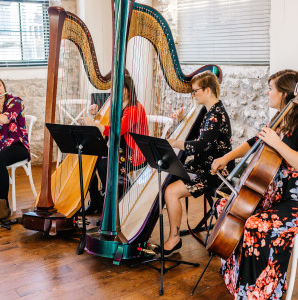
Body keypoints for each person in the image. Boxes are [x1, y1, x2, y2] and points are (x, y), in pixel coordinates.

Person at [211, 69, 298, 299]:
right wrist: (227, 158)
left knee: (256, 225)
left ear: (284, 94)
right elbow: (253, 143)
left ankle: (260, 291)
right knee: (225, 208)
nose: (267, 93)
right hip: (270, 194)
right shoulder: (279, 119)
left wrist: (277, 143)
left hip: (293, 201)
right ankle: (237, 281)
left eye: (271, 89)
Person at [162, 70, 234, 255]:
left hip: (215, 172)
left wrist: (174, 143)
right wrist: (182, 120)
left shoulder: (216, 115)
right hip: (203, 166)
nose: (193, 95)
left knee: (170, 191)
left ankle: (174, 238)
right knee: (167, 173)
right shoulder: (210, 111)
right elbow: (202, 137)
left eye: (195, 91)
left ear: (208, 90)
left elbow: (200, 145)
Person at [81, 74, 149, 214]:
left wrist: (93, 123)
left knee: (103, 163)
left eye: (120, 88)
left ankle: (114, 204)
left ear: (129, 89)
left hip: (134, 152)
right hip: (119, 149)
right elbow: (107, 124)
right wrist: (96, 116)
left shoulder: (134, 108)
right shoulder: (117, 105)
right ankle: (96, 201)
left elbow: (116, 131)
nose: (116, 91)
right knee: (87, 157)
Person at [0, 77, 30, 220]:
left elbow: (5, 119)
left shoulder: (15, 101)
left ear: (3, 86)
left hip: (18, 145)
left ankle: (3, 203)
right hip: (1, 148)